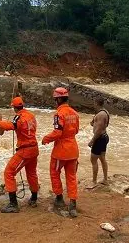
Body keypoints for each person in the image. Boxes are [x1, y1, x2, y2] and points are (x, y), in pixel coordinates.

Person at [0, 96, 39, 213]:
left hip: (25, 151)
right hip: (34, 149)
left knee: (9, 173)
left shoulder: (19, 117)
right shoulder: (31, 115)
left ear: (14, 108)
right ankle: (34, 198)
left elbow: (10, 126)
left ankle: (13, 204)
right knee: (31, 173)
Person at [42, 87, 80, 218]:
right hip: (73, 150)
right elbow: (76, 131)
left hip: (61, 151)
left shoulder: (59, 114)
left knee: (54, 172)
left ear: (58, 99)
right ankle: (73, 204)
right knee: (71, 176)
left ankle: (59, 198)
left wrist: (46, 139)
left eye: (55, 99)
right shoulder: (75, 113)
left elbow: (57, 133)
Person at [86, 97, 110, 189]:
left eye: (94, 102)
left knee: (93, 160)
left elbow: (99, 130)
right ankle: (105, 180)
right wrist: (94, 122)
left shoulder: (100, 115)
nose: (93, 104)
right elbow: (103, 125)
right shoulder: (105, 112)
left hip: (99, 138)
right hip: (105, 137)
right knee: (102, 158)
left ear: (96, 103)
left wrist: (92, 141)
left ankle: (94, 182)